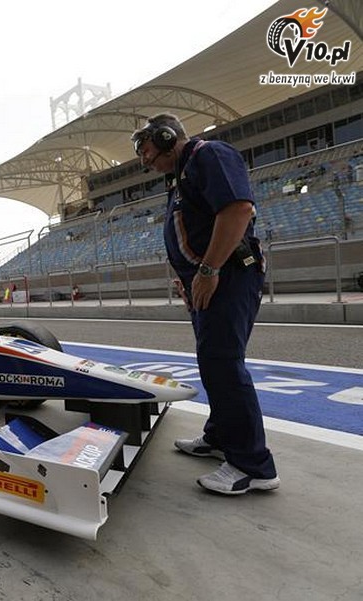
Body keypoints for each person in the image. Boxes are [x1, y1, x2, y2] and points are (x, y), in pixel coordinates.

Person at [131, 113, 279, 495]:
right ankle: (220, 436)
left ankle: (253, 466)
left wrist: (209, 270)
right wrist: (190, 278)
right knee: (212, 361)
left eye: (146, 149)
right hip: (209, 279)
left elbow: (237, 209)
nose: (145, 160)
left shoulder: (208, 154)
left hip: (229, 274)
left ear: (166, 137)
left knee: (223, 363)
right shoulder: (180, 176)